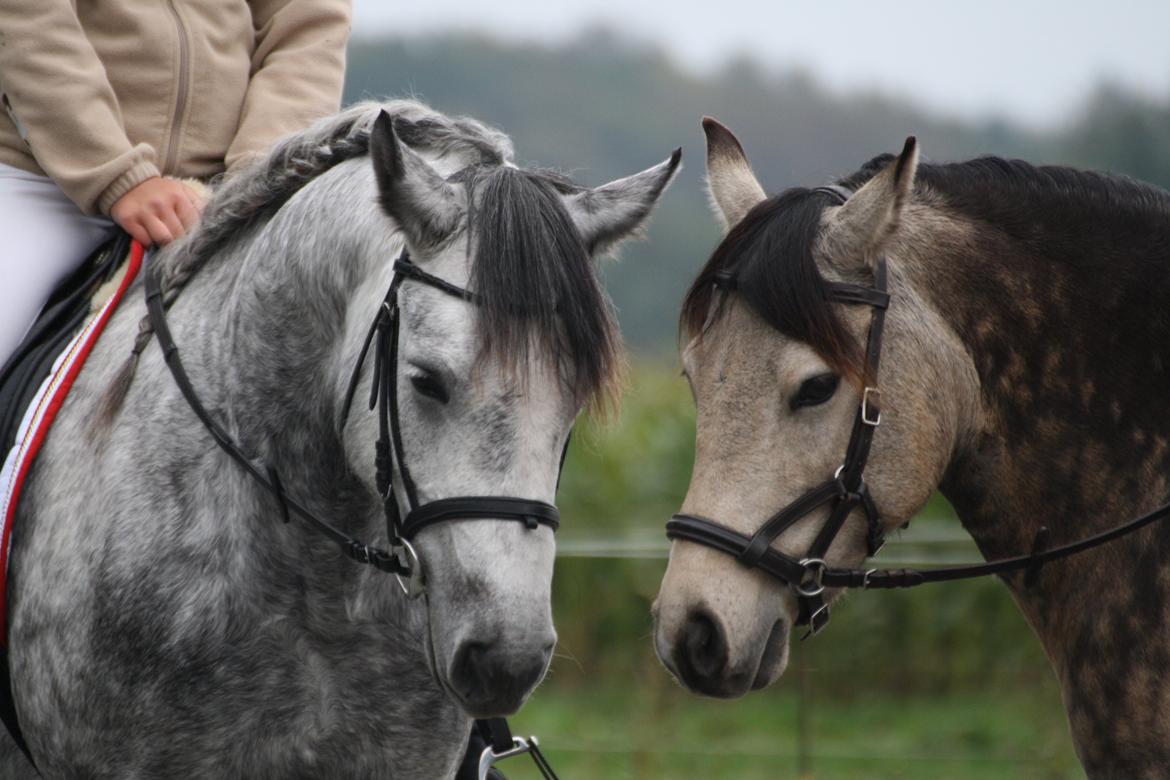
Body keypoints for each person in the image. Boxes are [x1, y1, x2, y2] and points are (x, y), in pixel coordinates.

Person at [0, 0, 353, 367]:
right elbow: (30, 20)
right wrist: (119, 178)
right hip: (44, 182)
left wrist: (257, 182)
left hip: (227, 197)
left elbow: (308, 20)